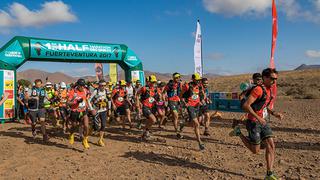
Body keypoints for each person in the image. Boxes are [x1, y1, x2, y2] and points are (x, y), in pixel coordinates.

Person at [229, 68, 283, 180]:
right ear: (265, 78)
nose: (274, 81)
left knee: (271, 145)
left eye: (276, 79)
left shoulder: (270, 90)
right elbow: (246, 105)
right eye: (272, 78)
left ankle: (269, 174)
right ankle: (238, 132)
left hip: (263, 121)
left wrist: (274, 113)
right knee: (255, 151)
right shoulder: (258, 90)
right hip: (253, 122)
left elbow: (265, 105)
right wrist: (258, 117)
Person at [181, 73, 205, 150]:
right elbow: (181, 95)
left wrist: (202, 100)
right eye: (197, 80)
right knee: (197, 124)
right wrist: (185, 103)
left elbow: (201, 96)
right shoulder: (188, 86)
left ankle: (183, 124)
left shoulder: (200, 86)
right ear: (193, 79)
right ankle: (200, 142)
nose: (198, 81)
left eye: (199, 80)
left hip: (197, 106)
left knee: (192, 124)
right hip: (190, 106)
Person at [68, 79, 91, 149]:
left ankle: (85, 140)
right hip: (75, 111)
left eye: (83, 86)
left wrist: (89, 107)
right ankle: (71, 134)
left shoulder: (85, 90)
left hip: (83, 110)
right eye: (81, 86)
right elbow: (68, 103)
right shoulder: (73, 92)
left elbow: (86, 98)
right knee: (74, 126)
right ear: (77, 85)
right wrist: (76, 102)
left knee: (86, 126)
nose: (82, 87)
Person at [137, 75, 159, 140]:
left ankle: (145, 133)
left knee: (149, 120)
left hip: (152, 107)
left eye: (154, 82)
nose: (153, 83)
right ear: (148, 82)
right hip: (145, 106)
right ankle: (146, 131)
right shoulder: (144, 88)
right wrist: (138, 104)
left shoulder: (154, 89)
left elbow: (155, 98)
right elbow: (137, 94)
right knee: (153, 120)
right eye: (152, 82)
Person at [163, 72, 184, 139]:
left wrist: (181, 99)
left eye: (179, 77)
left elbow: (181, 92)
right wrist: (165, 100)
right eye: (176, 77)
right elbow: (164, 92)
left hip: (177, 101)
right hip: (171, 101)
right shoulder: (169, 84)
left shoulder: (179, 84)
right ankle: (177, 131)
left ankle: (166, 118)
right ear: (174, 78)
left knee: (178, 115)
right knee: (175, 115)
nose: (178, 79)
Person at [89, 80, 108, 146]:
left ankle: (100, 140)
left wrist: (110, 108)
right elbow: (88, 100)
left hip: (104, 110)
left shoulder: (106, 91)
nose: (103, 87)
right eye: (101, 85)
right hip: (96, 110)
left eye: (104, 85)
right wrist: (91, 109)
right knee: (96, 127)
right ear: (99, 85)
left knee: (103, 125)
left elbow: (108, 100)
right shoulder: (95, 91)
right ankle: (87, 134)